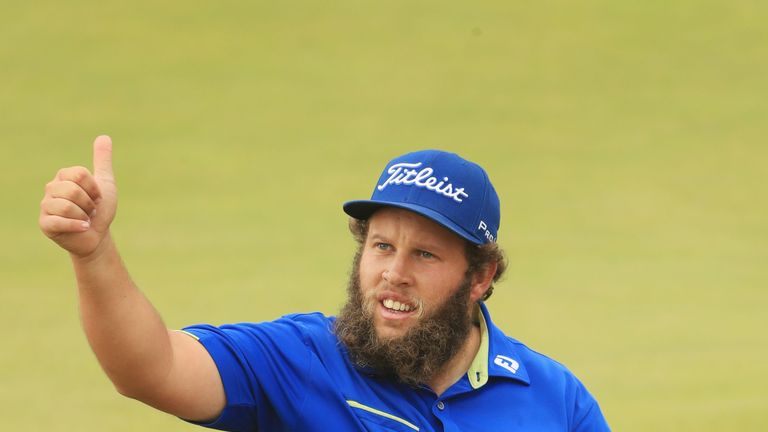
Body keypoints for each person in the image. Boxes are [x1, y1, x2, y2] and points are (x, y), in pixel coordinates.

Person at [39, 135, 610, 431]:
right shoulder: (301, 359)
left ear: (480, 277)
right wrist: (95, 255)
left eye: (426, 255)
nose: (394, 272)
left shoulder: (554, 400)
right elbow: (152, 368)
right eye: (381, 246)